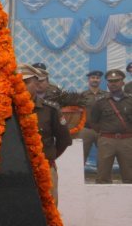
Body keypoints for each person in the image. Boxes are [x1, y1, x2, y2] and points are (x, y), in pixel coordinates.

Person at [20, 64, 72, 203]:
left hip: (45, 169)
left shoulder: (50, 110)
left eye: (26, 82)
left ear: (36, 84)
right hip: (16, 172)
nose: (21, 86)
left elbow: (64, 140)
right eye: (17, 82)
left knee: (48, 212)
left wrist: (47, 157)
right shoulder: (7, 110)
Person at [88, 69, 132, 184]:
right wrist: (106, 134)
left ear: (122, 82)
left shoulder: (130, 100)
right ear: (107, 84)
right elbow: (93, 122)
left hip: (127, 141)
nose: (113, 83)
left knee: (130, 177)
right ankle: (102, 201)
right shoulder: (100, 102)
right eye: (110, 81)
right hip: (107, 141)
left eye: (117, 80)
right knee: (103, 177)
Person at [77, 70, 108, 162]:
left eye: (97, 78)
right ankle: (78, 176)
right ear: (88, 80)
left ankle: (102, 176)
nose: (95, 80)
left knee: (105, 157)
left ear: (100, 80)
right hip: (86, 130)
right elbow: (77, 112)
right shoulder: (82, 95)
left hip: (102, 131)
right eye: (93, 78)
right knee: (80, 156)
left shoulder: (106, 95)